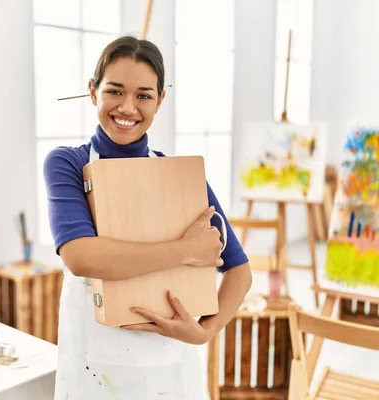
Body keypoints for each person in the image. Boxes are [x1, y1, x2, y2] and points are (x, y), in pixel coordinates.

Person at [43, 35, 252, 400]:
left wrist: (205, 331)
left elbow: (240, 271)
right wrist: (184, 250)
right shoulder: (69, 164)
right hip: (93, 368)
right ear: (93, 92)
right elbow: (82, 258)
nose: (127, 107)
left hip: (170, 366)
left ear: (160, 100)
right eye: (114, 91)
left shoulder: (182, 176)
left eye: (143, 95)